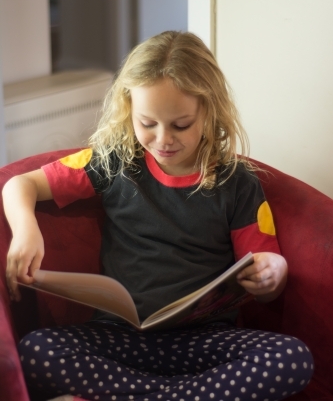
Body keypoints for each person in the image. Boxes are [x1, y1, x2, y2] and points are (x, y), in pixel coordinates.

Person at [3, 31, 313, 401]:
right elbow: (19, 184)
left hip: (205, 342)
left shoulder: (238, 184)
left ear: (210, 110)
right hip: (120, 338)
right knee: (39, 352)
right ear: (128, 109)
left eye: (181, 124)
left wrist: (272, 274)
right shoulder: (113, 161)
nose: (163, 139)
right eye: (147, 123)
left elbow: (266, 268)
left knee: (291, 359)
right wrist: (25, 230)